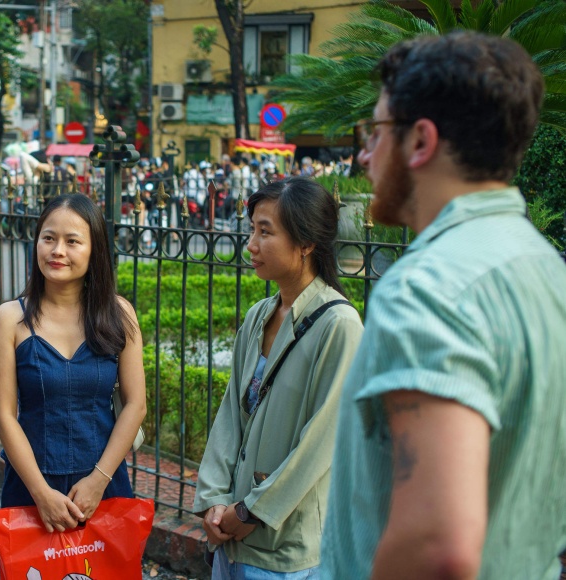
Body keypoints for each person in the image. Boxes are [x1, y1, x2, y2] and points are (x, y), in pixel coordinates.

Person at [319, 32, 566, 579]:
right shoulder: (546, 267)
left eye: (376, 132)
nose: (364, 155)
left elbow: (437, 547)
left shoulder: (426, 287)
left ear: (421, 141)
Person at [193, 177, 363, 579]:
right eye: (252, 230)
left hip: (286, 550)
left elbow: (322, 441)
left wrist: (251, 511)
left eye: (265, 232)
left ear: (306, 243)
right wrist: (214, 498)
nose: (251, 245)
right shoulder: (259, 315)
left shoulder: (339, 325)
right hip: (231, 537)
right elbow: (230, 415)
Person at [0, 194, 146, 538]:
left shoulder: (119, 314)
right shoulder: (10, 319)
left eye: (72, 241)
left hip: (105, 483)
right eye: (49, 238)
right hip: (31, 485)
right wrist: (41, 493)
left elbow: (136, 405)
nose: (57, 250)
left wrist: (97, 481)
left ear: (94, 250)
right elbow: (4, 415)